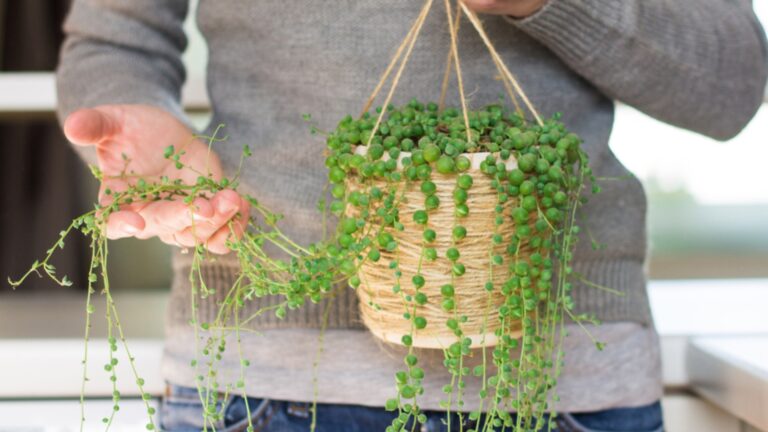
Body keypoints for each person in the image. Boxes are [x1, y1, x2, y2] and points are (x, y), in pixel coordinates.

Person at [56, 0, 767, 431]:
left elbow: (731, 83)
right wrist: (146, 129)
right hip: (258, 387)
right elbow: (116, 38)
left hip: (562, 390)